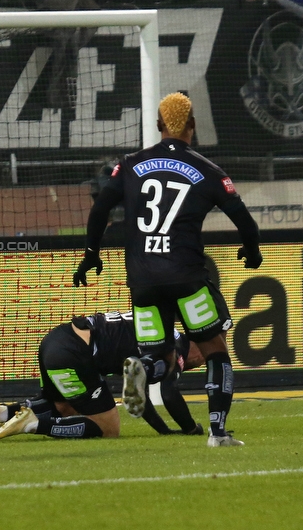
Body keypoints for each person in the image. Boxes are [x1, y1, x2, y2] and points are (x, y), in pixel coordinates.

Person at [72, 92, 263, 448]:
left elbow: (100, 211)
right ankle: (218, 433)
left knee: (160, 357)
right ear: (192, 126)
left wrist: (90, 254)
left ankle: (144, 370)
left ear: (159, 126)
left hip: (143, 280)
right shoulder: (208, 170)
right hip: (186, 276)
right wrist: (251, 251)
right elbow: (245, 221)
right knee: (215, 350)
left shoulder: (129, 164)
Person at [0, 311, 205, 442]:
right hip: (76, 352)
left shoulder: (159, 327)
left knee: (63, 406)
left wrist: (164, 432)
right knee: (108, 428)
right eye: (205, 357)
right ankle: (33, 424)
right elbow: (170, 394)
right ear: (196, 344)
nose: (201, 361)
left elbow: (139, 398)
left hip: (54, 341)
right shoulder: (174, 349)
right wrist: (191, 429)